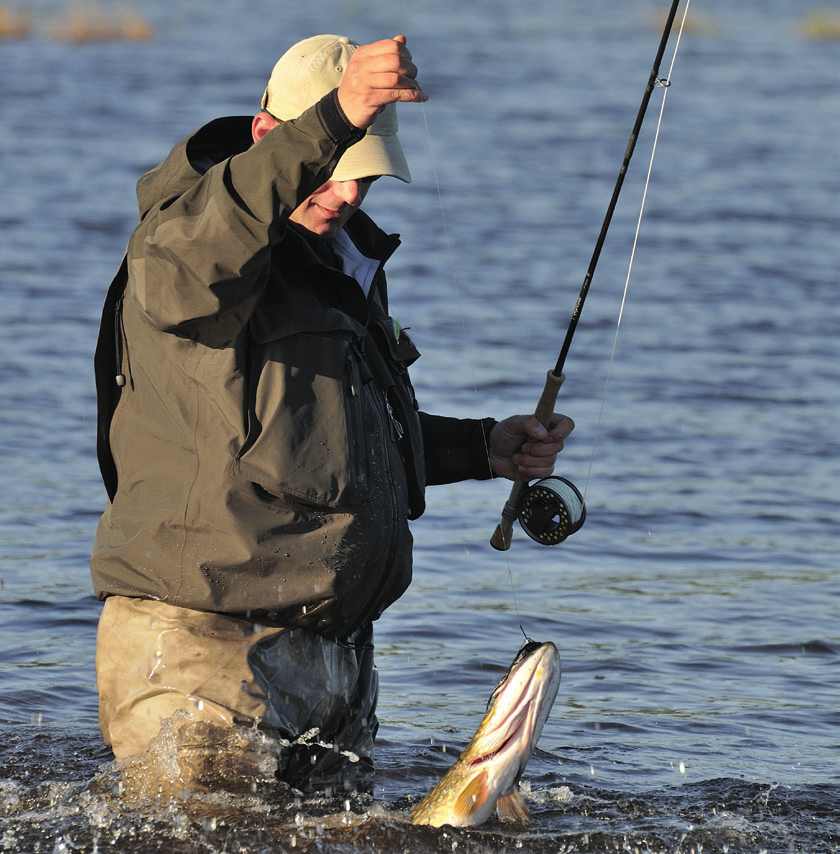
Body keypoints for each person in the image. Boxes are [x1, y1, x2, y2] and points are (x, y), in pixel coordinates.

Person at [91, 33, 574, 793]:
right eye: (332, 169)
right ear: (268, 140)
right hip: (203, 653)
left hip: (333, 663)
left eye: (366, 177)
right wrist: (335, 120)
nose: (348, 194)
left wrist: (485, 450)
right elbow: (185, 272)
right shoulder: (185, 247)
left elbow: (328, 442)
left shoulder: (341, 261)